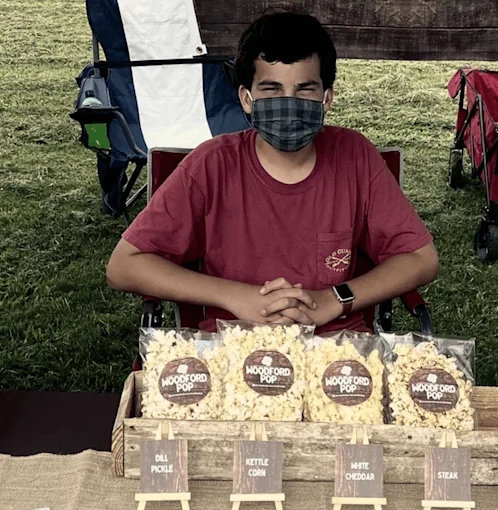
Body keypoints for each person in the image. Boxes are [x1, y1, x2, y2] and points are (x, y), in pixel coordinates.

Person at [106, 12, 438, 334]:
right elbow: (124, 265)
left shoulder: (355, 156)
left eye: (305, 89)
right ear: (246, 98)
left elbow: (421, 258)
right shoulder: (211, 165)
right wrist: (235, 296)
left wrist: (334, 299)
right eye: (271, 89)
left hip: (337, 346)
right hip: (232, 343)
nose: (288, 102)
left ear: (327, 98)